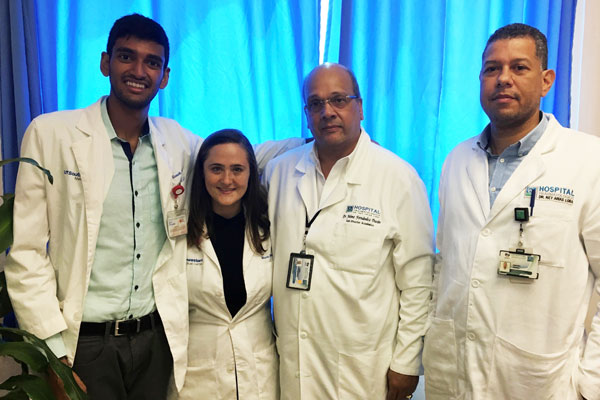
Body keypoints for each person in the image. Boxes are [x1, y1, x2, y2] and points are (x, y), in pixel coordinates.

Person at [4, 14, 302, 399]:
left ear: (164, 76)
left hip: (156, 340)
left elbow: (240, 156)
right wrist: (53, 354)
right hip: (85, 343)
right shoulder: (52, 134)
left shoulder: (174, 141)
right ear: (104, 62)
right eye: (126, 57)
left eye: (152, 62)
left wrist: (322, 144)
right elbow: (26, 253)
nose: (138, 70)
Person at [424, 23, 600, 400]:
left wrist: (591, 383)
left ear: (546, 80)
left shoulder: (588, 161)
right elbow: (448, 264)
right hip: (453, 372)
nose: (503, 79)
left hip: (539, 380)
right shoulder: (457, 160)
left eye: (519, 67)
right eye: (492, 69)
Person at [263, 63, 434, 400]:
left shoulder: (398, 177)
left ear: (360, 108)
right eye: (316, 103)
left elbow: (418, 281)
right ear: (307, 113)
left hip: (364, 367)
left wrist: (406, 362)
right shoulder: (279, 172)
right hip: (294, 361)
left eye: (339, 100)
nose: (328, 112)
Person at [172, 129, 278, 399]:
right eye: (216, 169)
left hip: (260, 374)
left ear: (251, 174)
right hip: (197, 378)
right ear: (202, 173)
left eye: (237, 169)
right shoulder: (179, 232)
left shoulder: (269, 227)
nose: (227, 180)